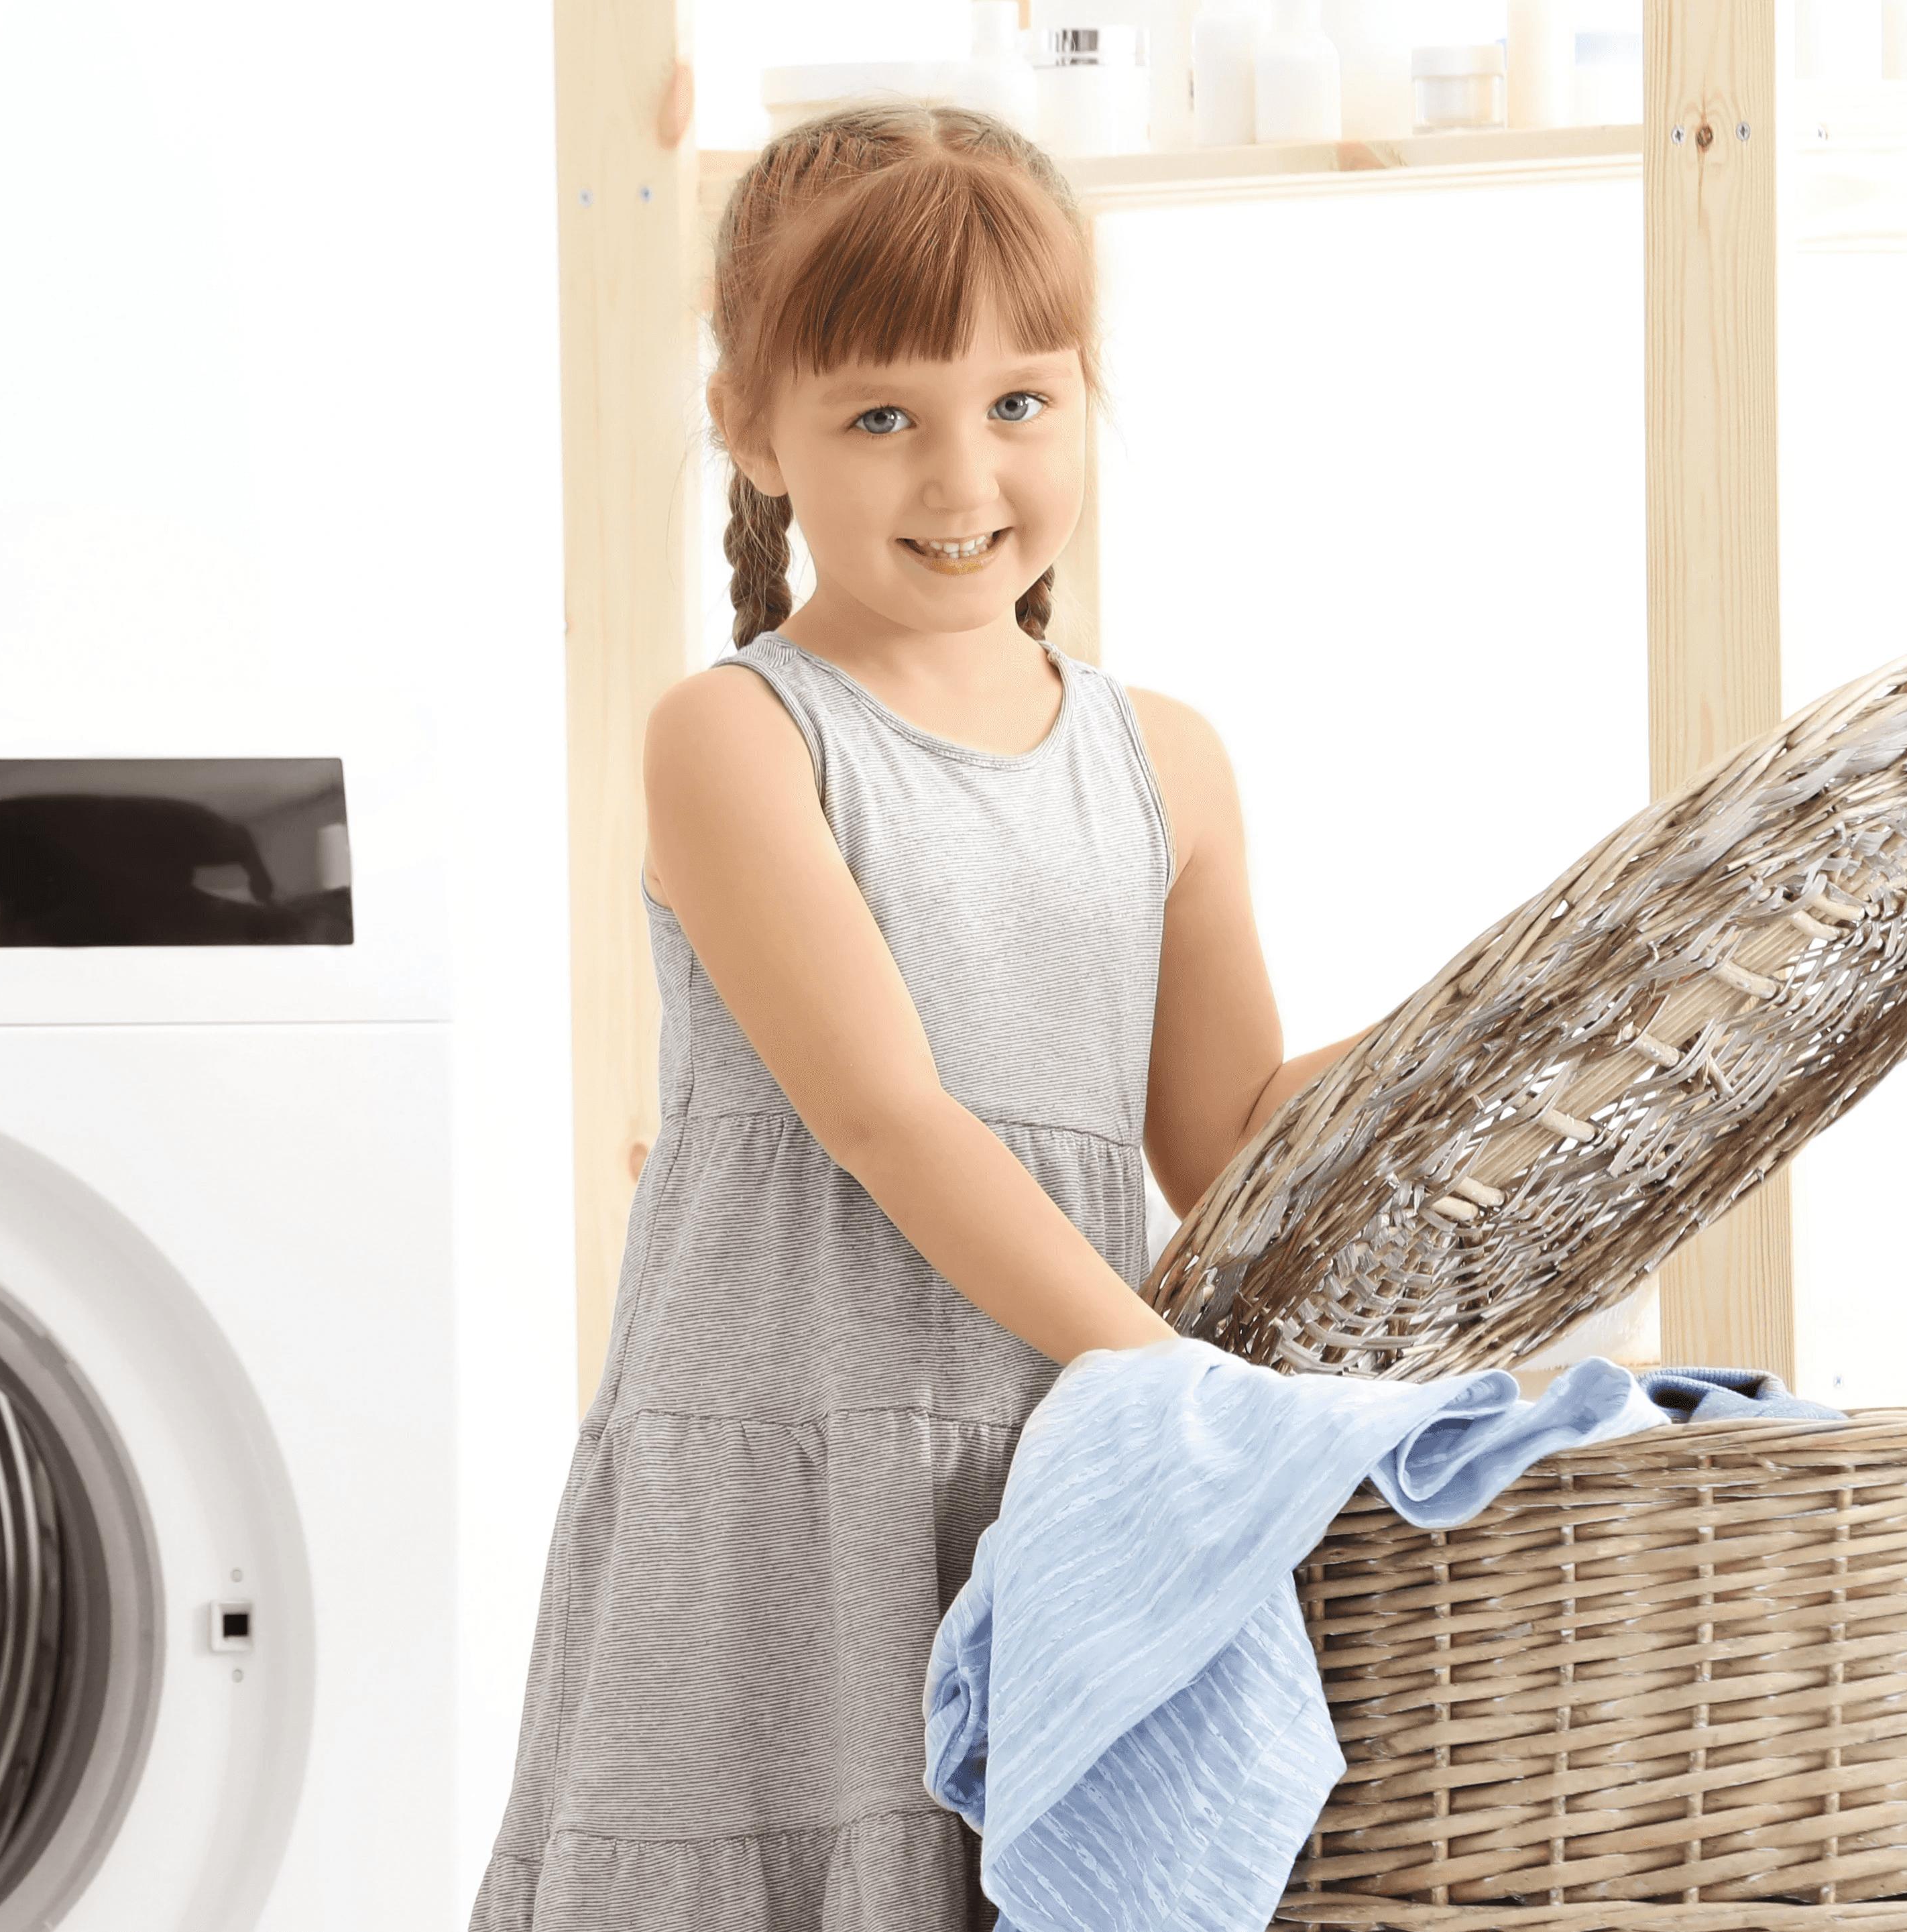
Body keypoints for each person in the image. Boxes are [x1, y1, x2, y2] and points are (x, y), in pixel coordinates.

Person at [471, 103, 1363, 1931]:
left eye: (1021, 403)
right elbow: (888, 1117)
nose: (963, 480)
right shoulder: (739, 735)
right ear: (751, 424)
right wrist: (1175, 1396)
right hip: (791, 1463)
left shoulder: (1164, 758)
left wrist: (1524, 1004)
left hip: (1045, 1445)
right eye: (884, 415)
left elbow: (1228, 1138)